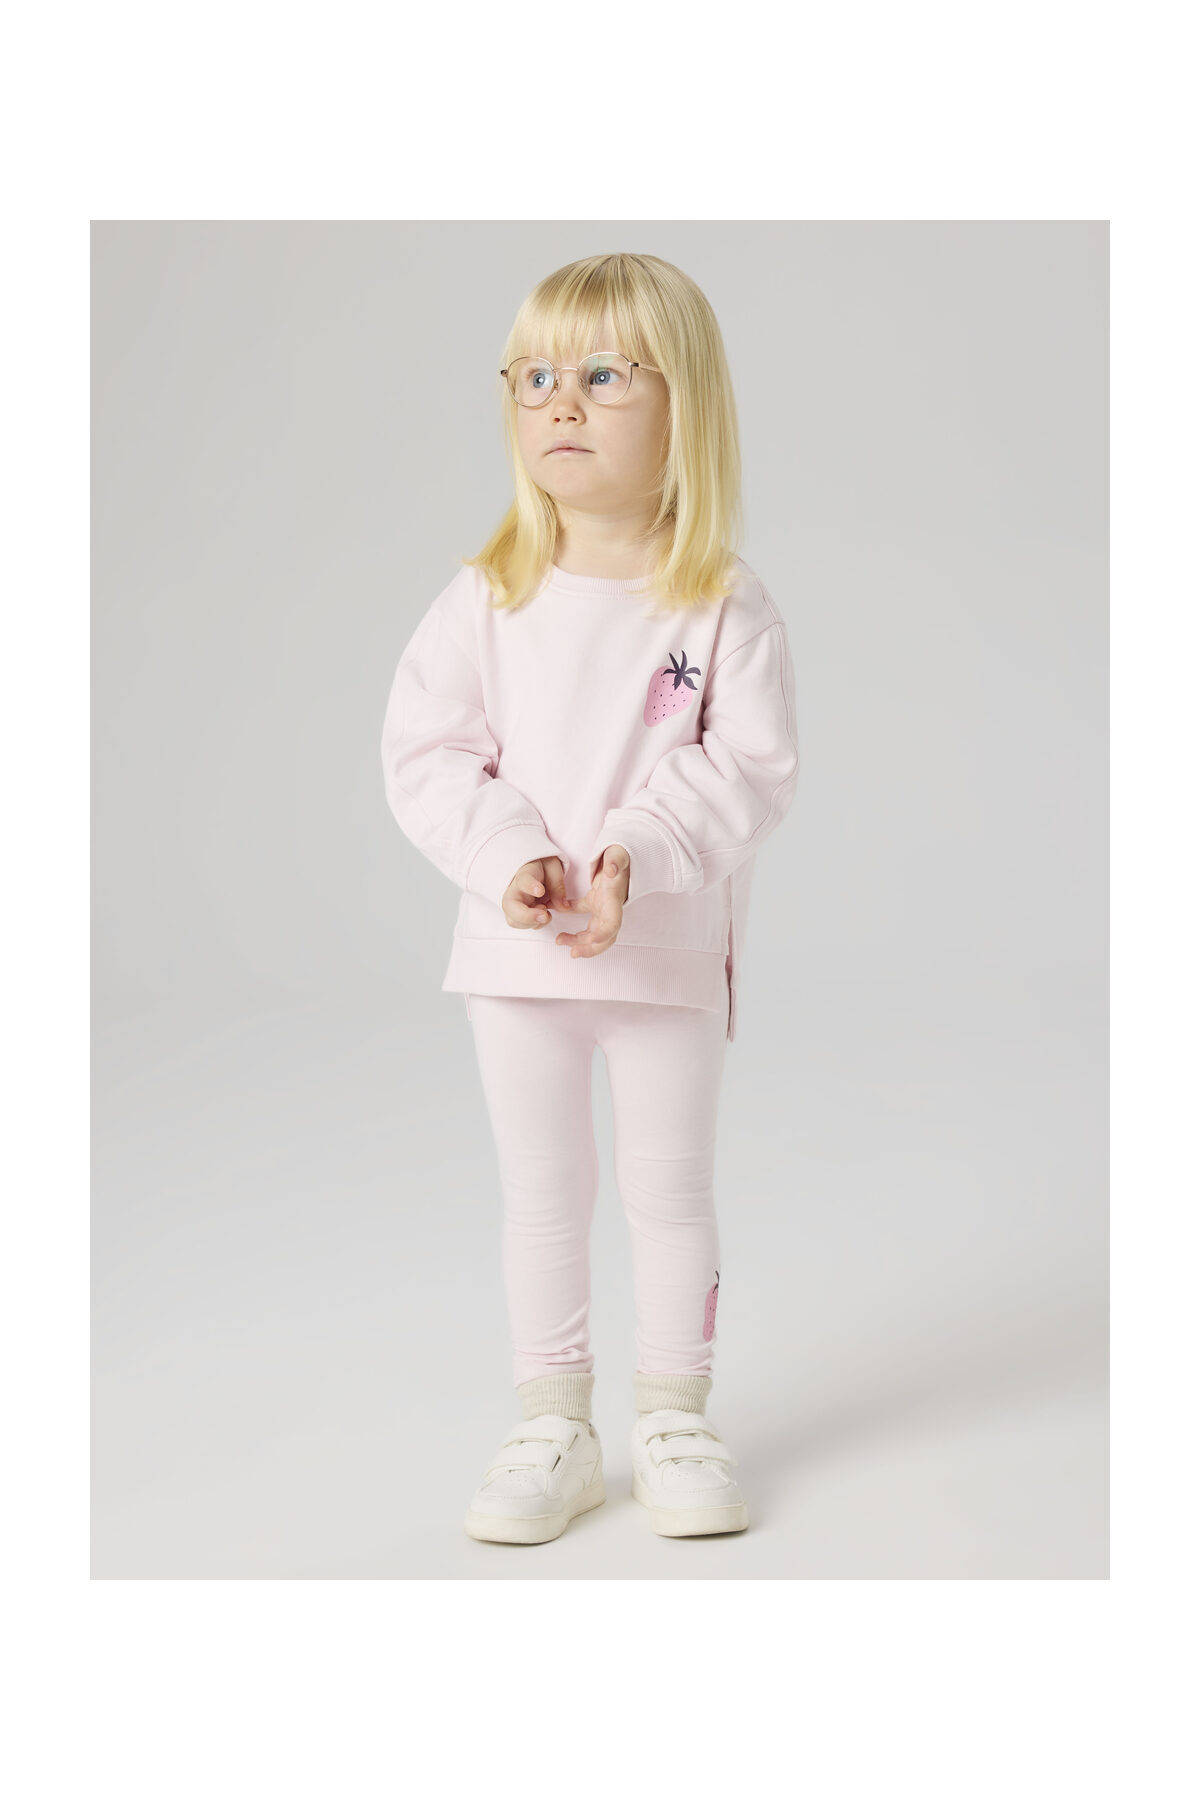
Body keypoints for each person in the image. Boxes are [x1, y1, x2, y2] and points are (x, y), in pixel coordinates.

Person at [380, 252, 799, 1544]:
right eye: (536, 377)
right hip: (518, 967)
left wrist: (634, 852)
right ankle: (553, 1422)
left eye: (606, 375)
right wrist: (511, 855)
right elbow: (429, 753)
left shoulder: (722, 605)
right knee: (544, 1193)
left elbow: (750, 767)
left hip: (663, 958)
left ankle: (675, 1414)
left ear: (686, 406)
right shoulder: (489, 598)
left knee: (669, 1193)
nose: (561, 401)